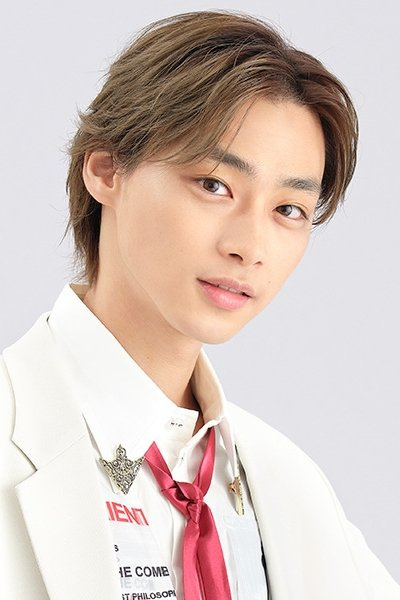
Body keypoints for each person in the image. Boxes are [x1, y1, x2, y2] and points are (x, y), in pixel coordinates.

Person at [0, 9, 399, 600]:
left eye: (288, 210)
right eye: (215, 185)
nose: (249, 248)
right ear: (106, 169)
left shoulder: (290, 484)